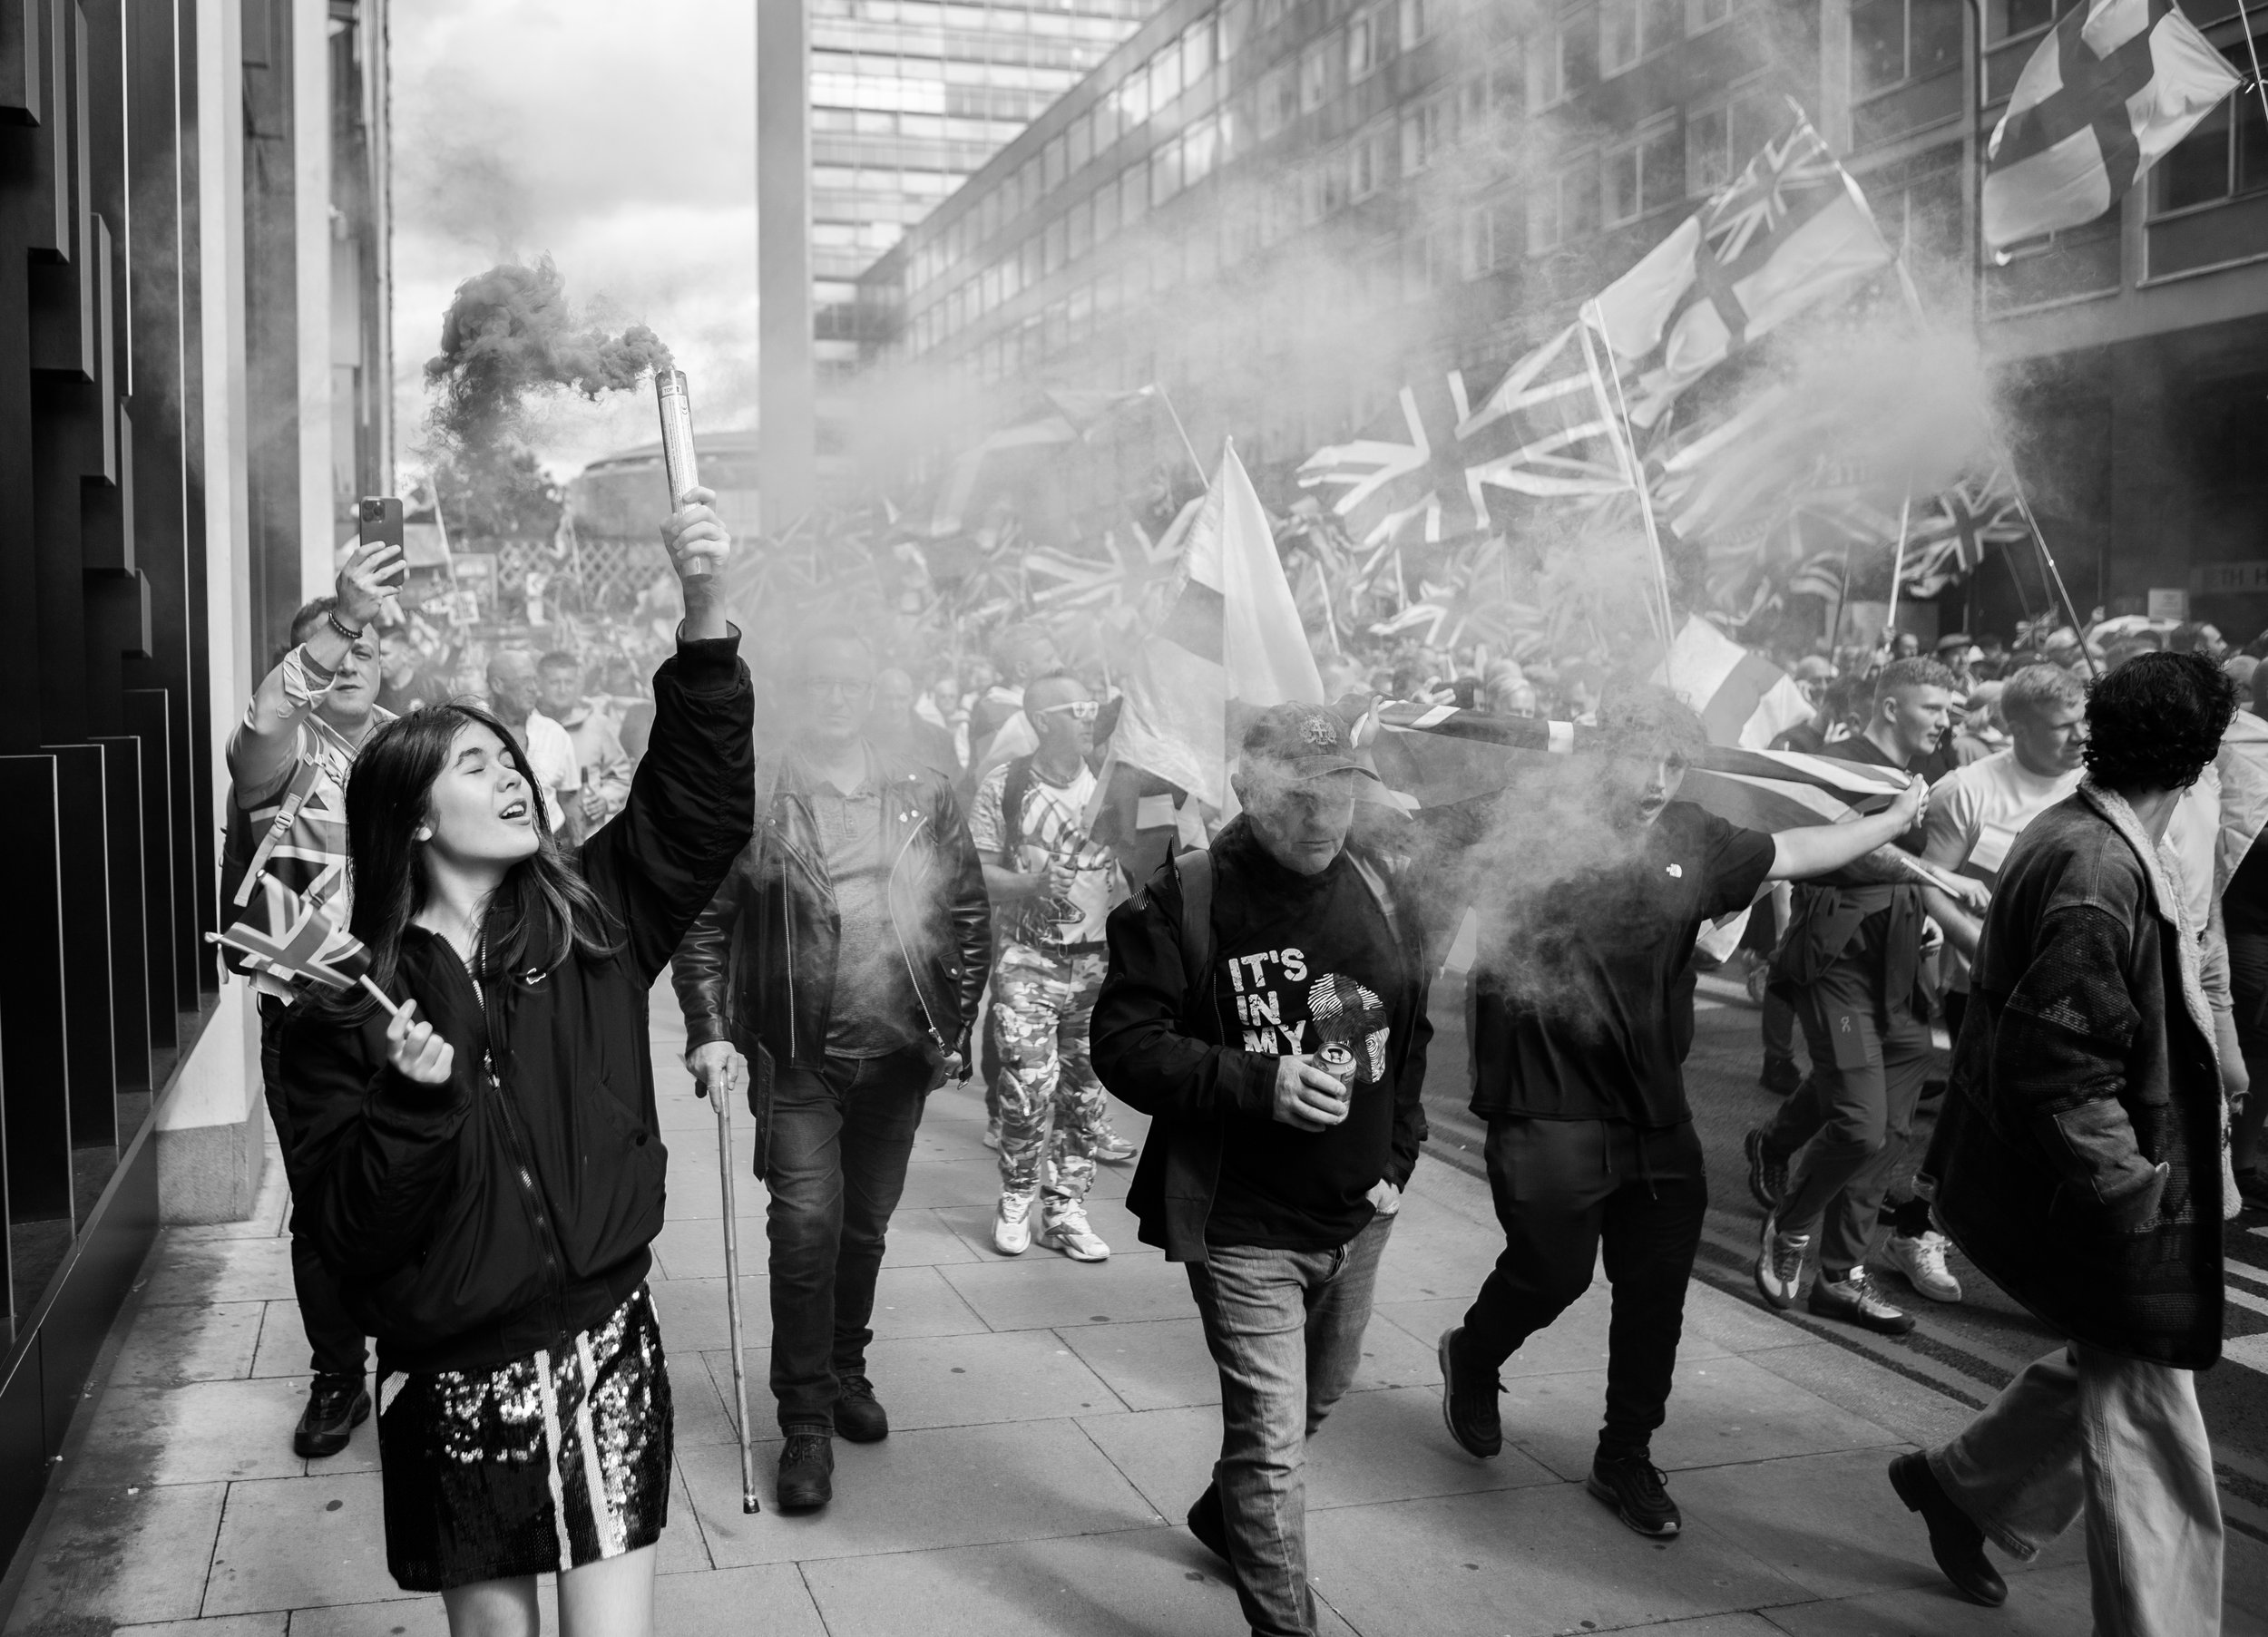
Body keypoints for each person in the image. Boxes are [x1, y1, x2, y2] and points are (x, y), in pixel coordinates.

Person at [279, 492, 748, 1633]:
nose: (511, 779)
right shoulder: (345, 1003)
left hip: (607, 1342)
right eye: (474, 764)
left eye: (509, 759)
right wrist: (409, 1097)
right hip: (452, 1373)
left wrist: (706, 612)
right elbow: (343, 1232)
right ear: (415, 816)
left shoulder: (589, 919)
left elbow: (697, 803)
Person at [1432, 687, 1930, 1539]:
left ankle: (1624, 1454)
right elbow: (1415, 827)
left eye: (1674, 762)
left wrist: (1896, 817)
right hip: (1545, 1101)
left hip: (1654, 1109)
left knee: (1656, 1293)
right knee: (1552, 1272)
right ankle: (1474, 1355)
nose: (1658, 780)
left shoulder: (1693, 834)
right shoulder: (1528, 815)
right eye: (1641, 759)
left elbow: (1802, 848)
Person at [1889, 651, 2235, 1632]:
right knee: (2150, 1431)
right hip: (2107, 1193)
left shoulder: (2091, 835)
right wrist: (2132, 1189)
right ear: (2200, 760)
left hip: (2103, 1181)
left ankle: (1962, 1489)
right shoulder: (2095, 862)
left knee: (2112, 1369)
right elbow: (2059, 1066)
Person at [1090, 702, 1432, 1637]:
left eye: (1340, 790)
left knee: (1318, 1398)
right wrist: (1256, 1079)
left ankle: (1222, 1514)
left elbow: (1410, 1030)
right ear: (1246, 785)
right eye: (1301, 794)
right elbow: (1122, 1045)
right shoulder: (1187, 897)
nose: (1324, 815)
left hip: (1359, 1213)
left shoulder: (1383, 880)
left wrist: (1399, 1153)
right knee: (1273, 1448)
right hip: (1242, 1222)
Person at [670, 624, 991, 1515]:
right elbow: (703, 925)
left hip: (897, 1051)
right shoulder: (758, 799)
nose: (840, 697)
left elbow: (966, 909)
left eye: (856, 681)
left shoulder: (923, 789)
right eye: (822, 681)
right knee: (805, 1230)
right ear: (800, 695)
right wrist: (710, 1029)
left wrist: (954, 1024)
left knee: (865, 1229)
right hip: (797, 1052)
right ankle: (805, 1416)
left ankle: (847, 1366)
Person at [225, 544, 406, 1458]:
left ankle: (419, 1350)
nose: (352, 656)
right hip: (308, 1015)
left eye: (369, 643)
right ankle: (339, 1374)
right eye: (338, 645)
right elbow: (262, 721)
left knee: (429, 1178)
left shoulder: (419, 754)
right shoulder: (280, 760)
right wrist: (336, 620)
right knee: (327, 1206)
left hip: (415, 1010)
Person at [1746, 658, 1977, 1336]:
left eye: (1949, 707)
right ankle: (1790, 1227)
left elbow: (1902, 874)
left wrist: (1937, 921)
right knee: (1859, 1122)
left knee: (1892, 1130)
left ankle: (1840, 1276)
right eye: (1933, 706)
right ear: (1889, 706)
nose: (1945, 719)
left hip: (1902, 968)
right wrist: (1936, 874)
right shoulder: (1841, 763)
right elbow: (1847, 854)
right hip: (1839, 970)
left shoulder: (1917, 776)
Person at [1873, 663, 2088, 1306]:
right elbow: (1927, 883)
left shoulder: (2099, 782)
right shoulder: (1967, 789)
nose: (2080, 735)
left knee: (2037, 1116)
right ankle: (1915, 1231)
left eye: (2086, 719)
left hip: (2072, 983)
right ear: (2014, 726)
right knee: (1977, 1108)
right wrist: (1986, 955)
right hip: (1985, 983)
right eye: (2061, 725)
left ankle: (2038, 1248)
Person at [973, 670, 1132, 1262]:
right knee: (1026, 1088)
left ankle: (1064, 1208)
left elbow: (1151, 856)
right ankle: (1016, 1195)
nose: (1090, 715)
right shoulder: (1006, 784)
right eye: (1077, 707)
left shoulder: (1114, 783)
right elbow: (979, 873)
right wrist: (1031, 883)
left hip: (1098, 968)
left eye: (1093, 706)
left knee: (1086, 1096)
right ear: (1043, 720)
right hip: (1027, 962)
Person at [485, 648, 582, 838]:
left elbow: (569, 800)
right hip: (495, 845)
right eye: (524, 681)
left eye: (534, 680)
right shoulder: (473, 730)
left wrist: (579, 848)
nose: (534, 689)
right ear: (498, 685)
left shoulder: (554, 734)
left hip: (550, 843)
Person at [538, 649, 633, 828]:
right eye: (554, 682)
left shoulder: (597, 724)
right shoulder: (532, 726)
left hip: (588, 836)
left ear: (578, 684)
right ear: (540, 684)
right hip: (543, 836)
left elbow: (619, 777)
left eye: (569, 682)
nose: (562, 690)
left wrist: (605, 799)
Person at [866, 665, 961, 777]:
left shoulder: (939, 740)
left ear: (911, 697)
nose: (894, 706)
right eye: (888, 698)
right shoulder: (860, 740)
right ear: (876, 698)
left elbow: (957, 784)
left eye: (901, 698)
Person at [375, 625, 437, 716]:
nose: (379, 659)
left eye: (385, 654)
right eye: (378, 654)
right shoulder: (374, 692)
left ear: (405, 654)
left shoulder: (432, 689)